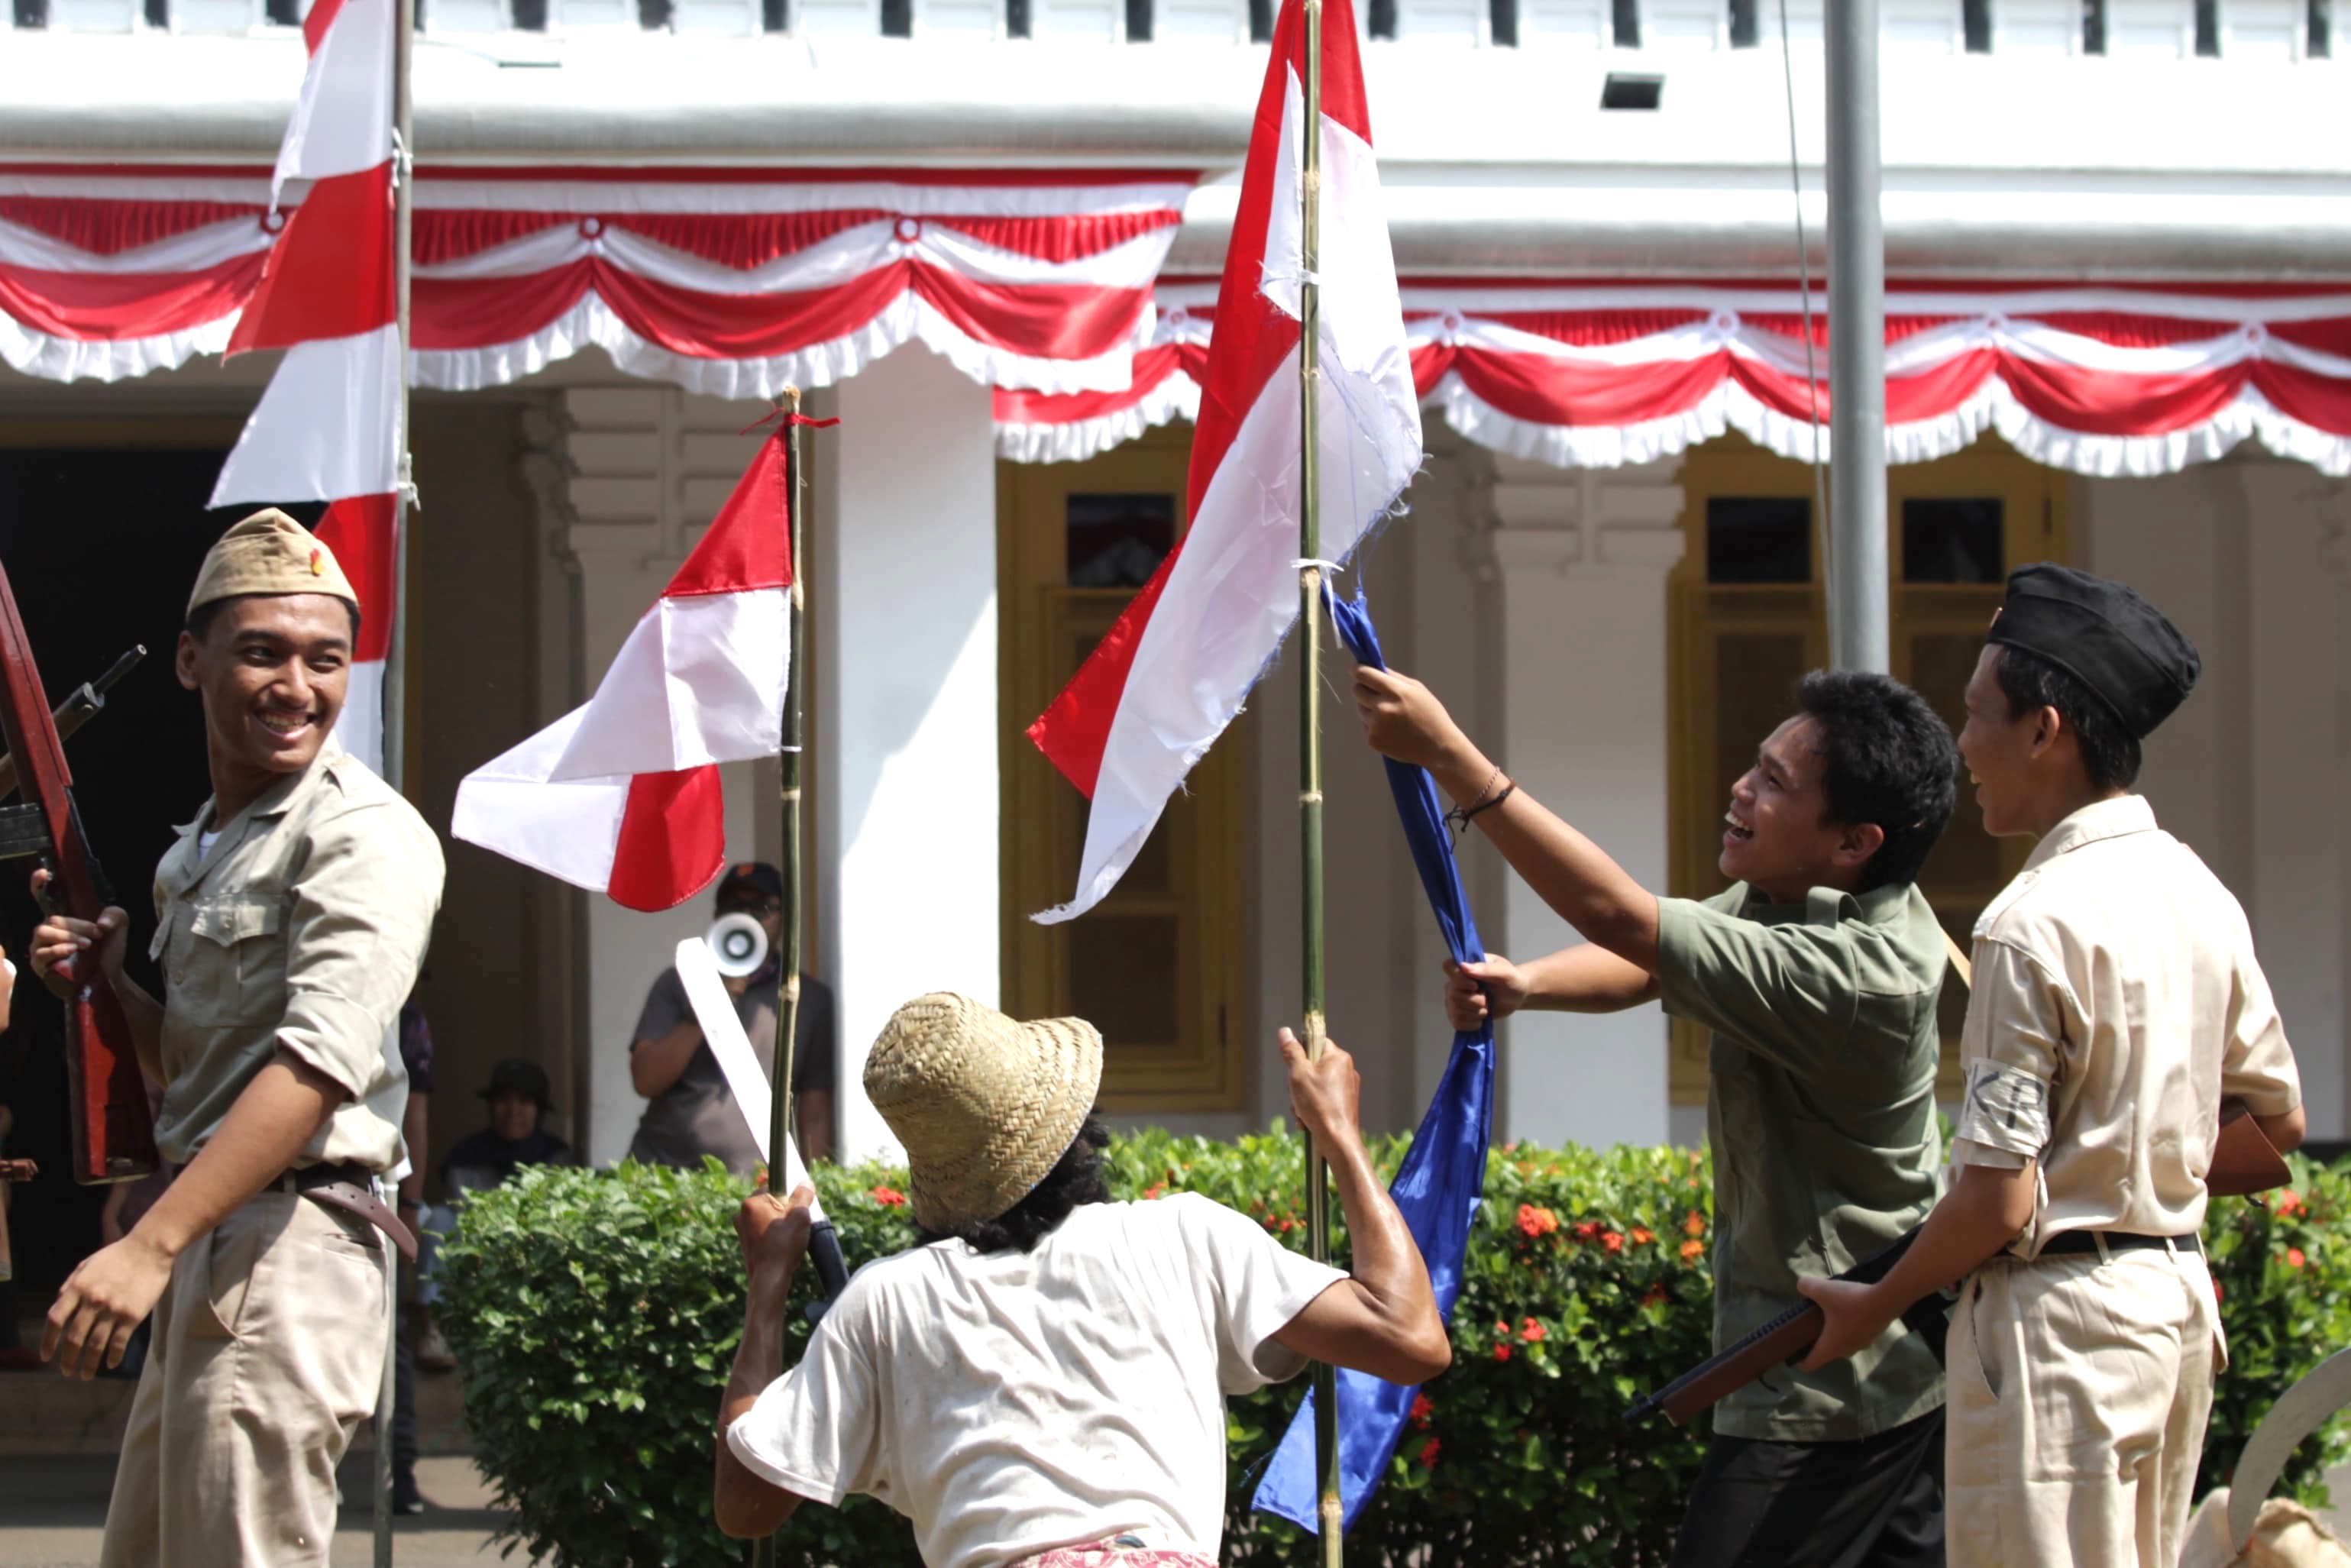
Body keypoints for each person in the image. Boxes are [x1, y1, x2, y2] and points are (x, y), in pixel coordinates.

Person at [1354, 661, 1959, 1568]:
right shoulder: (1798, 902)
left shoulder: (1854, 977)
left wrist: (1451, 757)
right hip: (1888, 1379)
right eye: (1755, 766)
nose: (1742, 790)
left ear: (1853, 842)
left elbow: (1625, 919)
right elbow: (1656, 958)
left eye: (1777, 784)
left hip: (1830, 1391)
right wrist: (1529, 985)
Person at [1794, 564, 2306, 1568]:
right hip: (2170, 1313)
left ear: (2045, 729)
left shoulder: (2028, 924)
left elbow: (1994, 1195)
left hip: (2054, 1336)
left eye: (1978, 715)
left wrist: (1878, 1300)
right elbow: (2274, 1124)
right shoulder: (2199, 893)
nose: (1963, 748)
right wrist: (2132, 1163)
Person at [29, 509, 445, 1568]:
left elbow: (315, 1065)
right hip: (219, 1236)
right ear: (189, 657)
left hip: (291, 1237)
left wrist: (148, 1241)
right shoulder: (200, 851)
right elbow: (206, 1066)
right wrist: (113, 988)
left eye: (324, 659)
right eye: (261, 651)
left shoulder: (359, 833)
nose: (295, 686)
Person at [711, 993, 1450, 1564]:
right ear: (1075, 1124)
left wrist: (767, 1288)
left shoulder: (885, 1299)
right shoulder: (1184, 1235)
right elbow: (1410, 1337)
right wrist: (1339, 1135)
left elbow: (746, 1506)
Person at [627, 862, 836, 1172]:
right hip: (665, 1173)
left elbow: (815, 1108)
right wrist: (706, 1003)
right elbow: (646, 1080)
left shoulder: (808, 998)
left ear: (784, 919)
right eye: (734, 906)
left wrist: (817, 1190)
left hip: (756, 1185)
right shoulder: (678, 981)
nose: (747, 916)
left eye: (763, 907)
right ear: (717, 915)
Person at [440, 1057, 576, 1192]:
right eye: (503, 1099)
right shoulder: (465, 1157)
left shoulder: (558, 1158)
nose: (513, 1111)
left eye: (524, 1101)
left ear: (539, 1111)